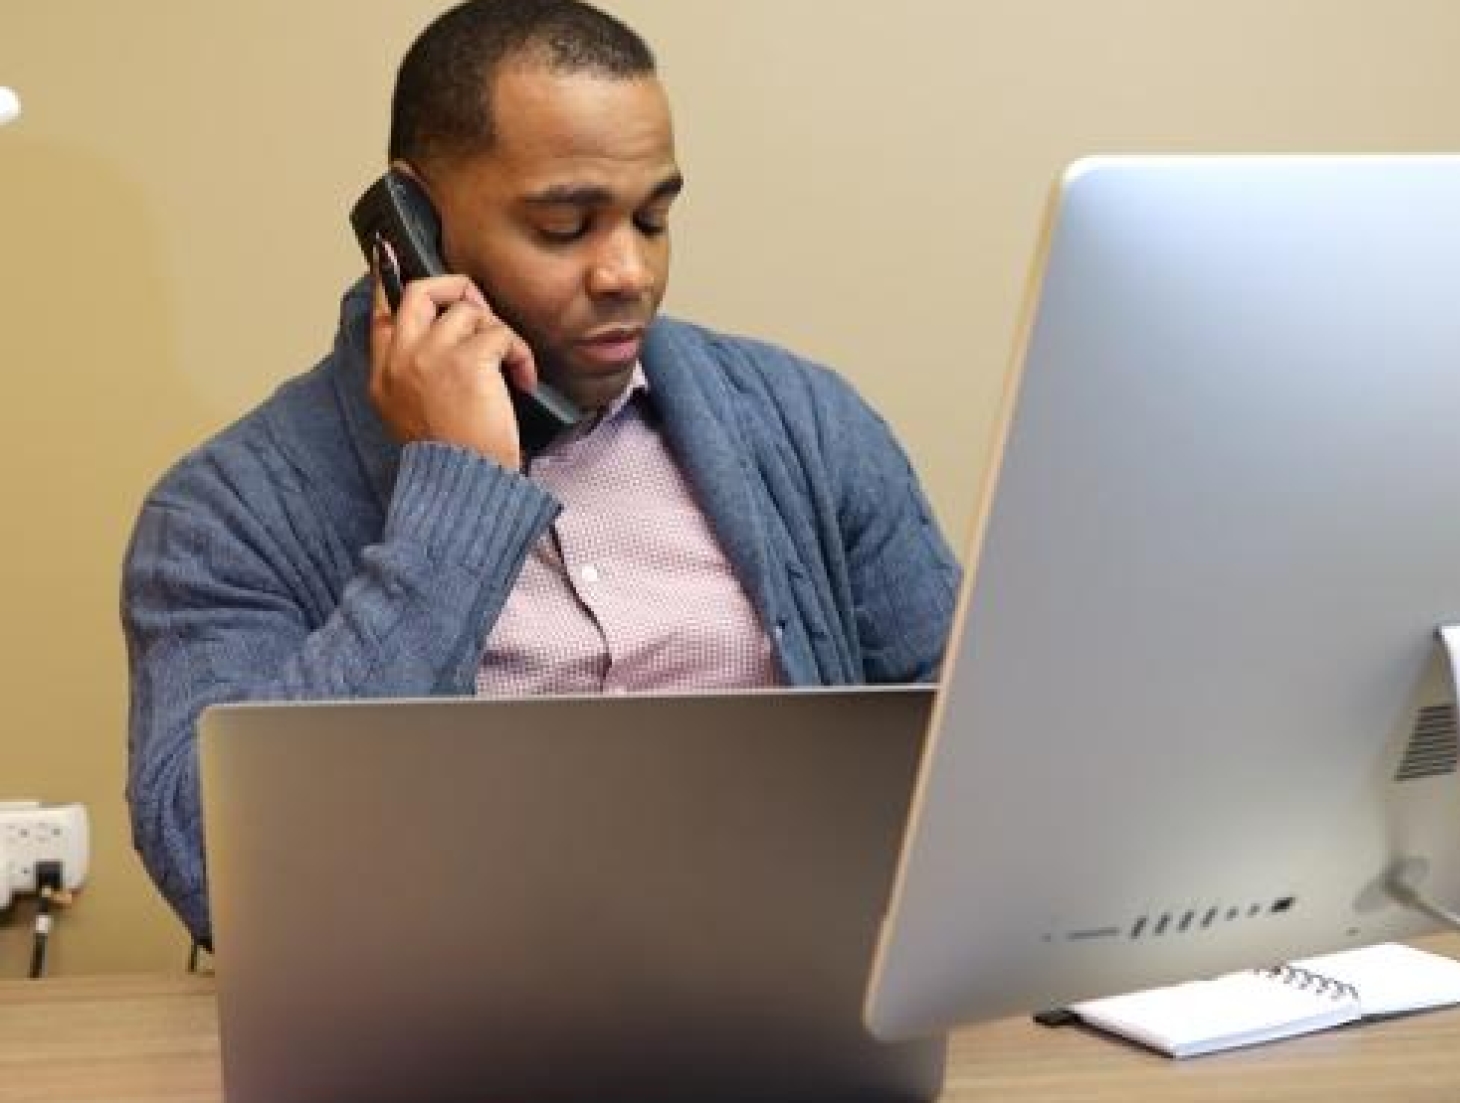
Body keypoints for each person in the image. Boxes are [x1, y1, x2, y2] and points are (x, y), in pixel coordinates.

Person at [120, 0, 960, 946]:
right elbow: (216, 876)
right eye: (566, 225)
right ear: (413, 224)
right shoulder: (221, 514)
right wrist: (455, 498)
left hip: (796, 1012)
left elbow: (972, 760)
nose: (628, 271)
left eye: (654, 218)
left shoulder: (808, 425)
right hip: (432, 1041)